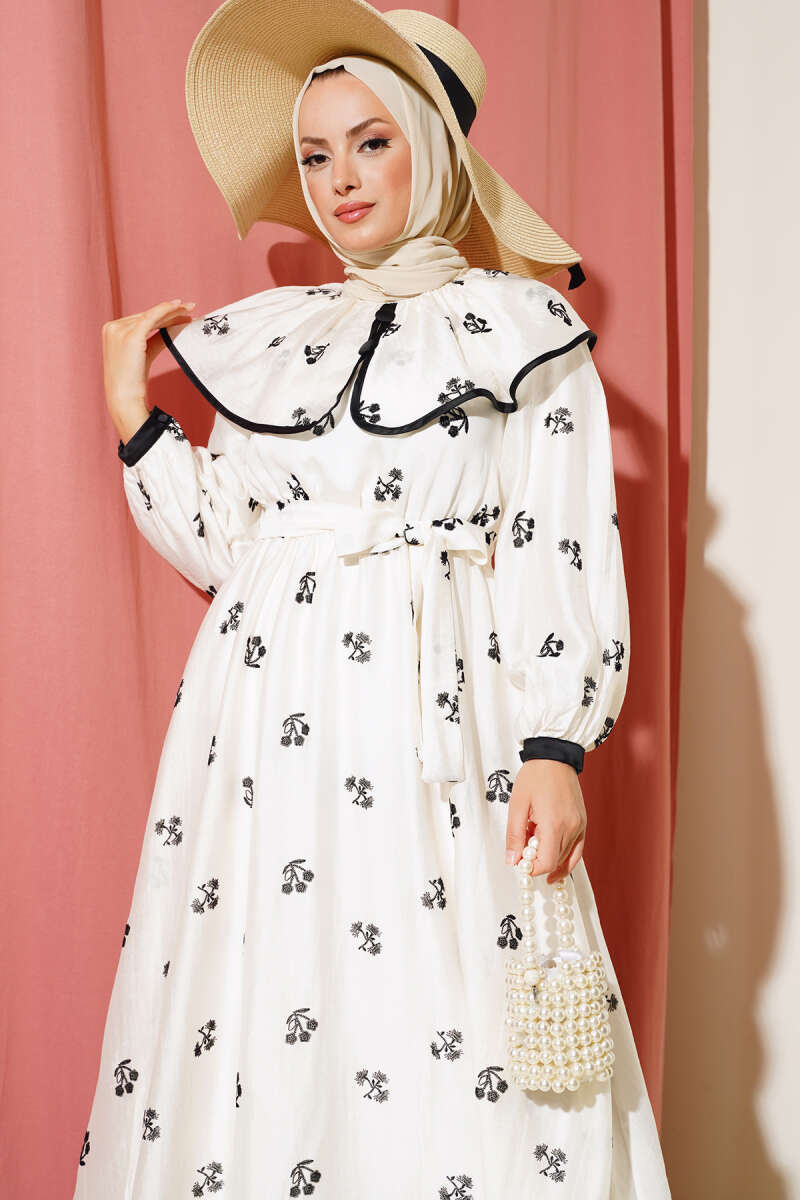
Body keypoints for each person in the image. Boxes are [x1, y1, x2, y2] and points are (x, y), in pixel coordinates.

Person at [75, 5, 671, 1197]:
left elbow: (555, 535)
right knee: (266, 988)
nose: (337, 180)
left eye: (369, 143)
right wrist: (135, 418)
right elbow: (231, 548)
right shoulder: (272, 339)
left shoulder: (521, 331)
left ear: (430, 149)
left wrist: (554, 745)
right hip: (263, 723)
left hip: (435, 708)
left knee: (445, 994)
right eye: (313, 155)